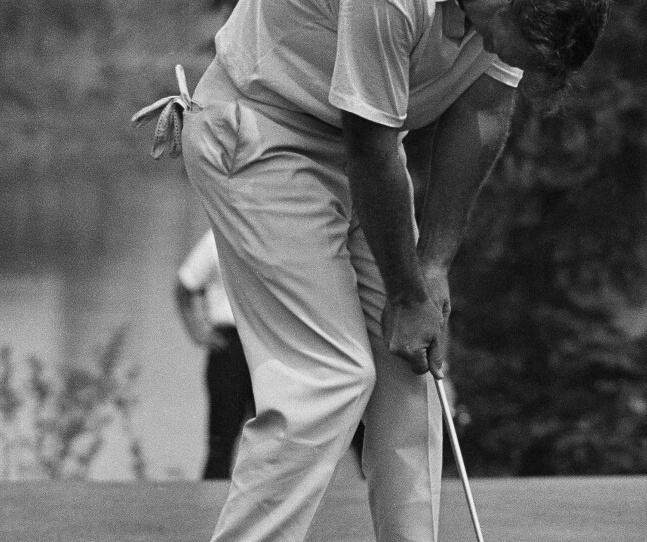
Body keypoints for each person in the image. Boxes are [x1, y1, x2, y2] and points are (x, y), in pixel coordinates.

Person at [177, 0, 611, 540]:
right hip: (262, 133)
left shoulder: (508, 17)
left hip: (358, 151)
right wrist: (406, 297)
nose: (495, 52)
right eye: (503, 41)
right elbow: (370, 147)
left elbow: (485, 106)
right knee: (328, 377)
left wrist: (431, 267)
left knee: (413, 372)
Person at [175, 229, 255, 480]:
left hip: (267, 345)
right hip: (229, 346)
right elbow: (184, 286)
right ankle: (210, 507)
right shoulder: (217, 237)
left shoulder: (278, 233)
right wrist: (196, 330)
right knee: (222, 436)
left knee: (275, 438)